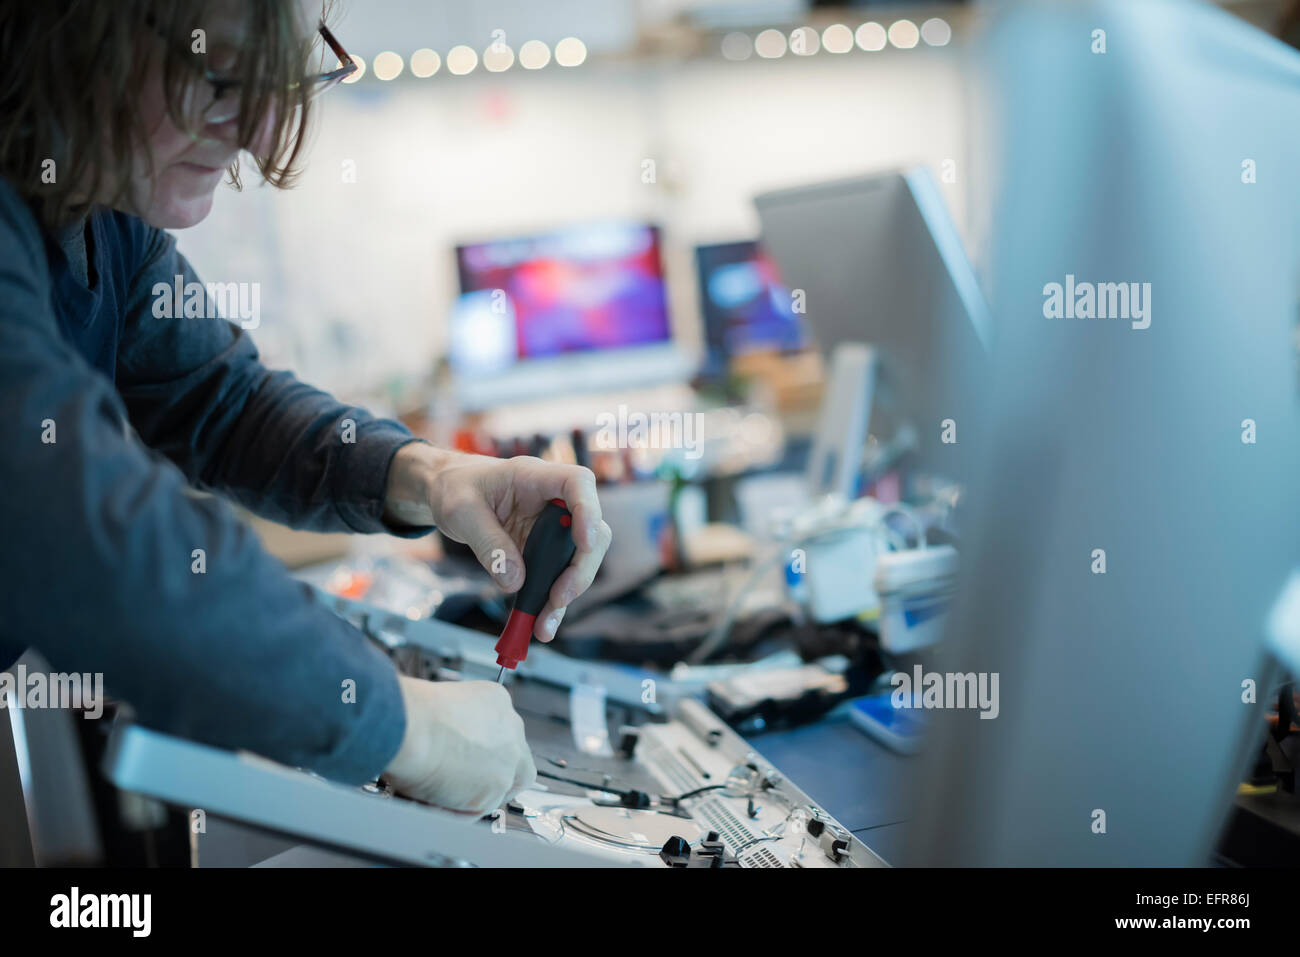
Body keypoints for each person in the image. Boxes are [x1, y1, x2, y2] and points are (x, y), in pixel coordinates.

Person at [0, 0, 611, 816]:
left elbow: (226, 403)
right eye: (219, 76)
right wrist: (405, 727)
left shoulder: (97, 209)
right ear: (75, 31)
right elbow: (87, 535)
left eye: (280, 83)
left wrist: (430, 474)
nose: (256, 131)